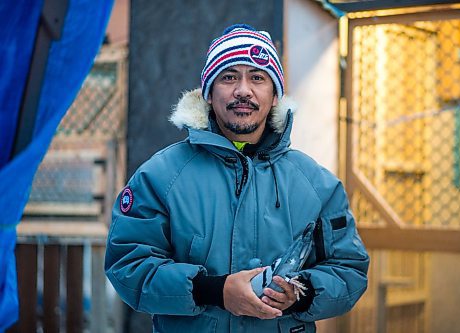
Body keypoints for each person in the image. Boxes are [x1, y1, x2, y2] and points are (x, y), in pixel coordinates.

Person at [105, 24, 369, 332]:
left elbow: (349, 269)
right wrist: (214, 290)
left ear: (274, 96)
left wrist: (299, 294)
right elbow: (128, 265)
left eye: (257, 77)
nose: (243, 90)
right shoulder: (161, 176)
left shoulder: (318, 185)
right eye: (229, 76)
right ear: (208, 94)